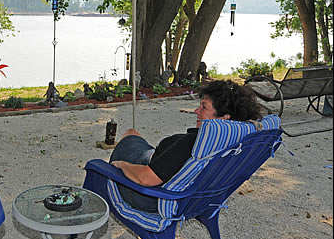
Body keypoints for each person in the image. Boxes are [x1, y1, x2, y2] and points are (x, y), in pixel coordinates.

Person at [109, 79, 262, 213]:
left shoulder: (193, 144)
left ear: (223, 117)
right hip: (189, 196)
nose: (196, 111)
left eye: (204, 107)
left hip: (150, 195)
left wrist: (122, 165)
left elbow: (146, 178)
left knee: (130, 134)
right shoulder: (230, 142)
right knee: (136, 135)